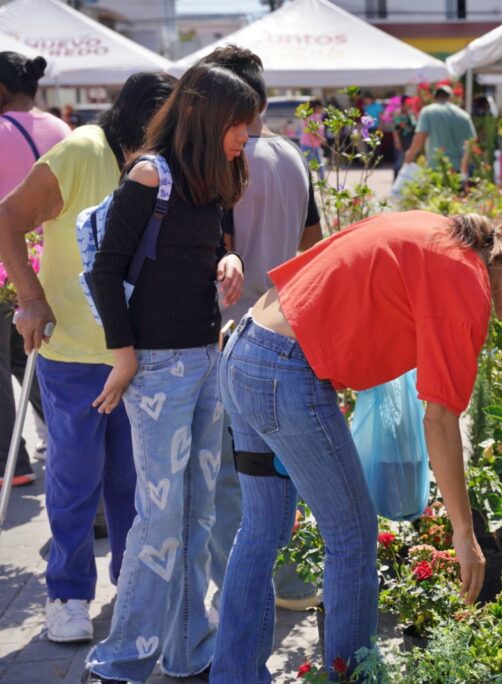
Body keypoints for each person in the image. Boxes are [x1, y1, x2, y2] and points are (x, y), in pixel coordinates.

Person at [217, 211, 502, 676]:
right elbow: (441, 421)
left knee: (262, 531)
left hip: (246, 350)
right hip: (285, 371)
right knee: (352, 537)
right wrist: (464, 536)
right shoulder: (466, 280)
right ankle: (353, 678)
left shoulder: (444, 233)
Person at [82, 63, 254, 683]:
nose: (245, 137)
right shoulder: (151, 174)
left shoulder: (212, 179)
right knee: (159, 520)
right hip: (157, 369)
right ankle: (120, 659)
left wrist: (228, 258)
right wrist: (124, 355)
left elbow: (209, 248)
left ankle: (189, 650)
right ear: (208, 118)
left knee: (196, 514)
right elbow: (105, 272)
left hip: (207, 360)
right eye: (239, 125)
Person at [0, 71, 175, 645]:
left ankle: (131, 583)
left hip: (136, 348)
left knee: (131, 478)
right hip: (74, 349)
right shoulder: (81, 151)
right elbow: (8, 217)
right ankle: (67, 594)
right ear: (141, 114)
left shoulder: (157, 162)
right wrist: (29, 297)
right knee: (76, 478)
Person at [197, 43, 323, 633]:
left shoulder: (228, 160)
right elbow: (314, 244)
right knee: (283, 465)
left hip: (233, 336)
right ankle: (292, 580)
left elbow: (217, 254)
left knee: (233, 475)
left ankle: (241, 590)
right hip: (292, 328)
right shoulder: (295, 157)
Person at [0, 51, 69, 488]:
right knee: (37, 359)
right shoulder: (62, 129)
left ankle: (13, 462)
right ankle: (65, 437)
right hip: (54, 261)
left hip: (7, 264)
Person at [404, 85, 476, 176]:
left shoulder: (428, 112)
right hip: (457, 169)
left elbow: (420, 137)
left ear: (435, 98)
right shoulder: (464, 116)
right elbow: (471, 142)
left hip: (436, 167)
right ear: (451, 98)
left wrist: (409, 156)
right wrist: (464, 166)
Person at [299, 98, 326, 180]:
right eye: (321, 107)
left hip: (310, 144)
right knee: (318, 165)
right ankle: (321, 183)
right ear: (316, 107)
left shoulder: (309, 116)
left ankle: (310, 182)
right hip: (310, 145)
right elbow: (312, 131)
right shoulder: (313, 117)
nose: (322, 109)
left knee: (307, 165)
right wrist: (322, 139)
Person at [391, 95, 416, 178]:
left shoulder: (411, 113)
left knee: (410, 162)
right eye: (408, 103)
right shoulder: (398, 113)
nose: (410, 104)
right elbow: (396, 128)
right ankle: (396, 181)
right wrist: (397, 141)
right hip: (401, 140)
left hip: (410, 140)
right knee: (399, 162)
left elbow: (414, 126)